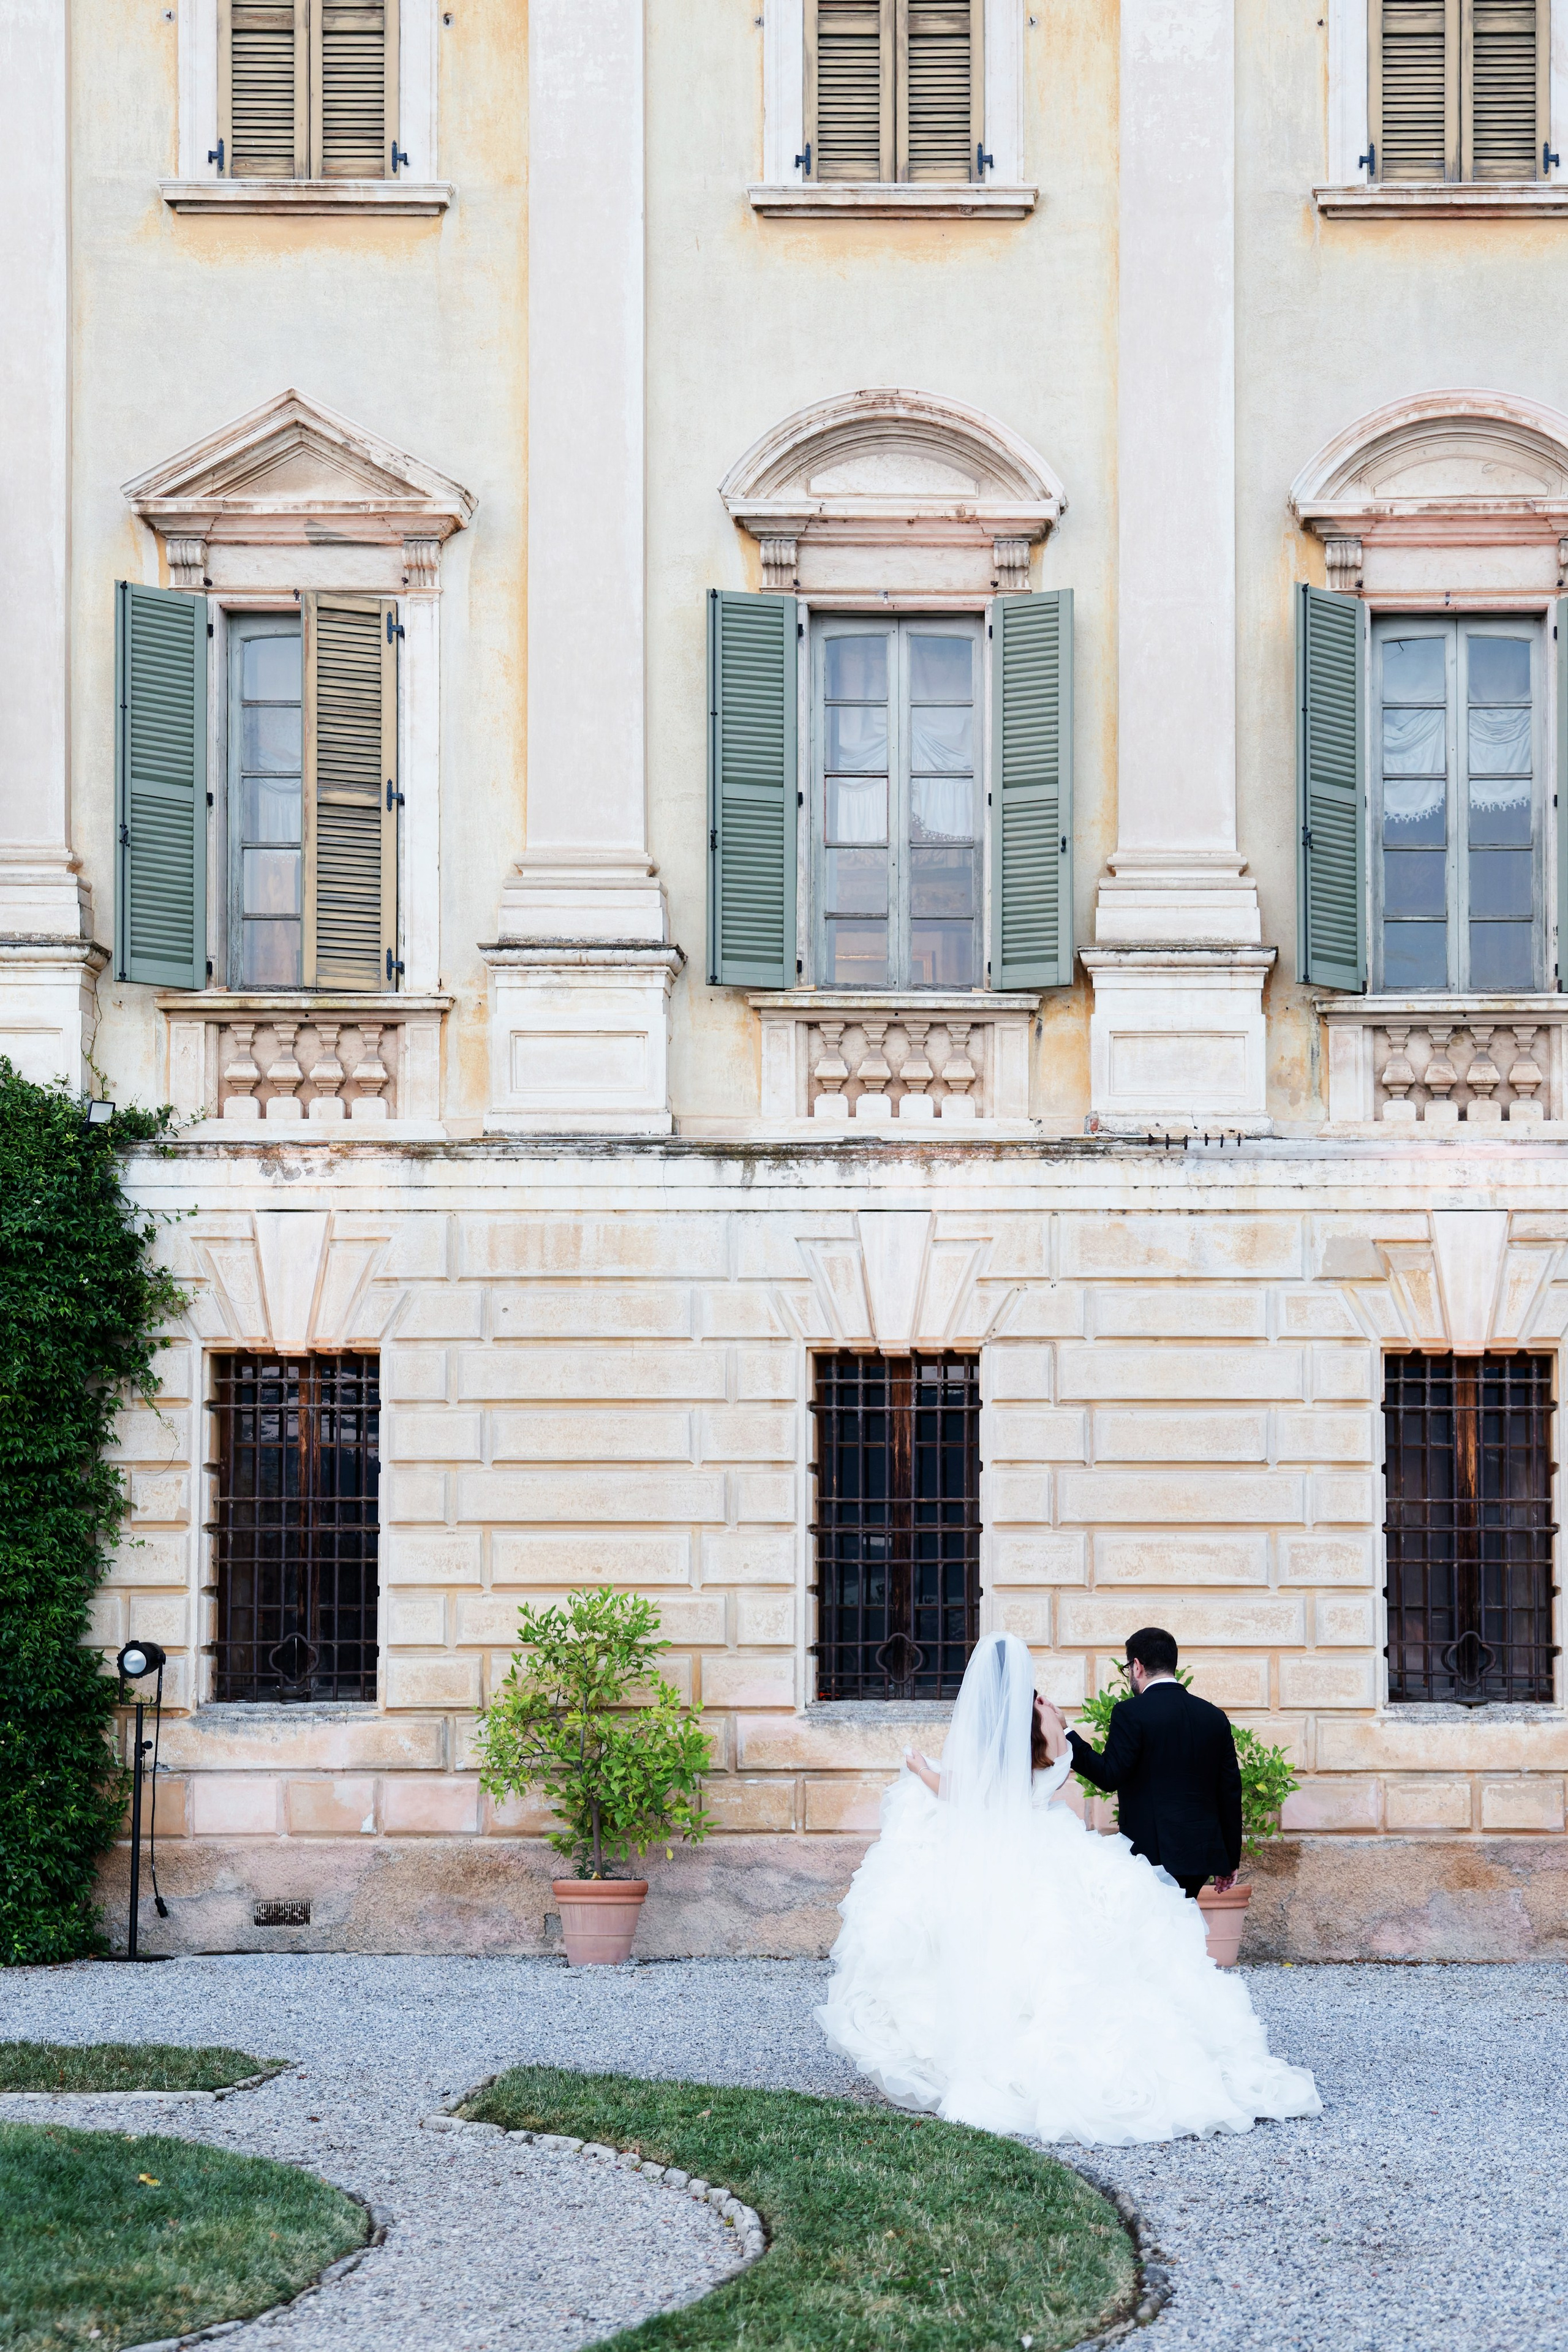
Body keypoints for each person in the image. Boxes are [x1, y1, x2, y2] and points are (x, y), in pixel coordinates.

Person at [814, 1629, 1321, 2147]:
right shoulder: (1092, 1722)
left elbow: (975, 1793)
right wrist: (1063, 1726)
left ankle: (997, 2052)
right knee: (1109, 1947)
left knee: (1009, 1952)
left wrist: (923, 1769)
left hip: (1035, 1850)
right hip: (1091, 1843)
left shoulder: (1018, 1732)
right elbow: (1221, 1787)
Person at [1053, 1626, 1242, 1901]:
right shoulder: (1214, 1716)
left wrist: (1066, 1732)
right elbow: (1230, 1791)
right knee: (1182, 1922)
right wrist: (1229, 1860)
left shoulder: (1130, 1712)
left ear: (1137, 1666)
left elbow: (1108, 1776)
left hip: (1151, 1855)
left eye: (1128, 1668)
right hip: (1200, 1856)